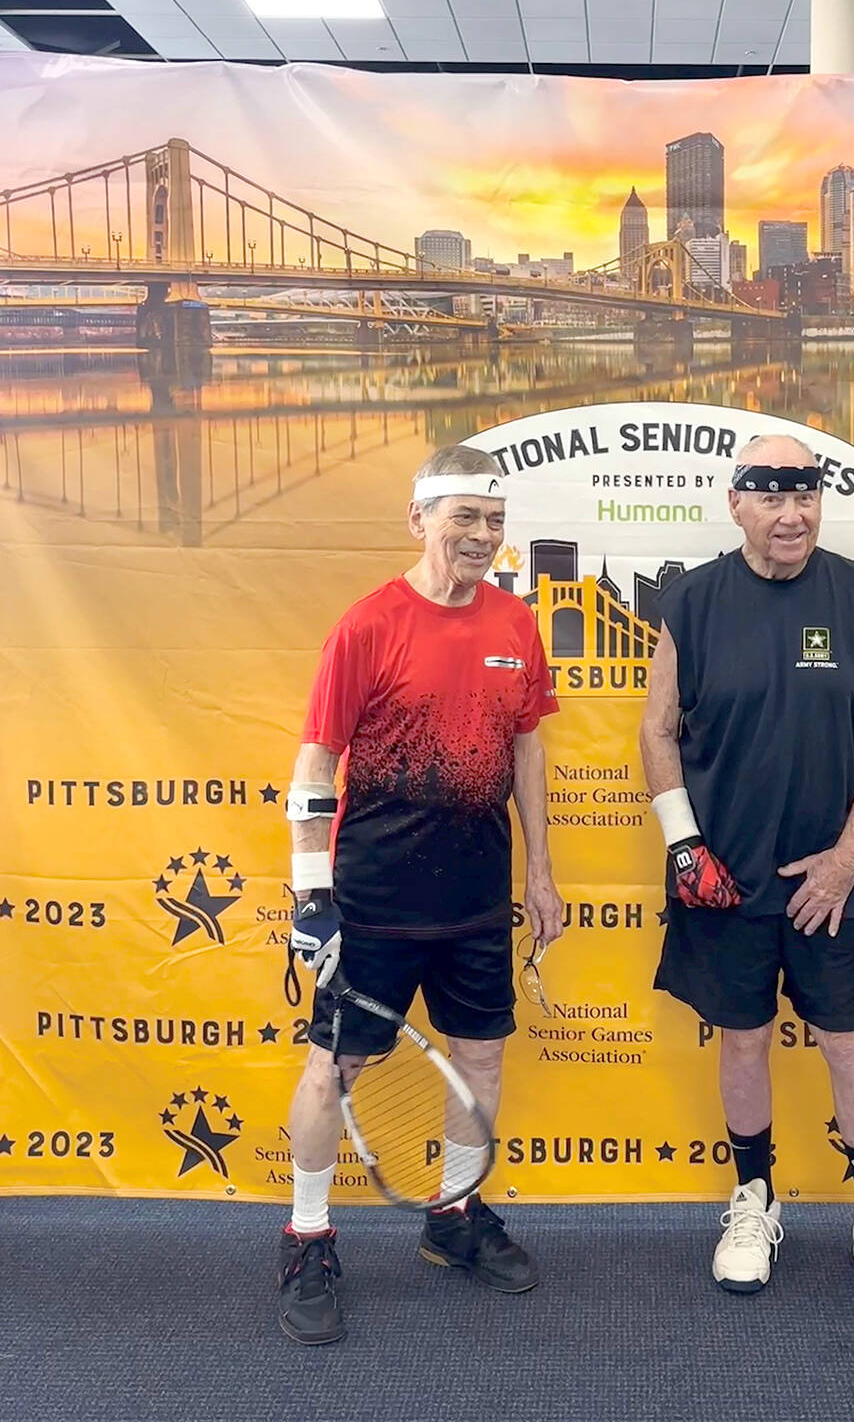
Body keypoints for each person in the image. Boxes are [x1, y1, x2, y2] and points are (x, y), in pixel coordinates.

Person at [277, 443, 563, 1345]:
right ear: (420, 520)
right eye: (465, 519)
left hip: (476, 895)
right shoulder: (368, 626)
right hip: (374, 897)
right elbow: (317, 763)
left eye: (494, 522)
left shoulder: (516, 625)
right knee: (335, 1068)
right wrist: (310, 893)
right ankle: (308, 1236)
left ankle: (453, 1218)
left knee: (480, 1064)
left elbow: (525, 750)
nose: (481, 537)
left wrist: (541, 873)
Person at [640, 434, 854, 1328]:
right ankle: (755, 1200)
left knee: (847, 1046)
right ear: (737, 505)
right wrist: (684, 846)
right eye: (771, 495)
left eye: (805, 494)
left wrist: (848, 859)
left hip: (826, 885)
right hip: (721, 883)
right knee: (744, 1043)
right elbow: (656, 732)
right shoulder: (687, 601)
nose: (791, 512)